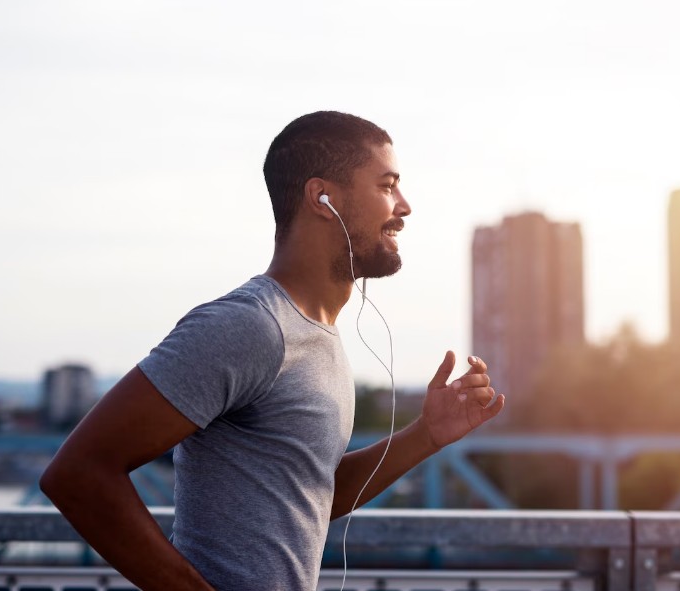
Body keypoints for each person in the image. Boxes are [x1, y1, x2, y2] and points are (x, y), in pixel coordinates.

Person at [40, 111, 506, 591]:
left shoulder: (316, 337)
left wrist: (426, 434)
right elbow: (77, 474)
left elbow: (314, 494)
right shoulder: (249, 326)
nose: (404, 206)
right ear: (322, 198)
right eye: (387, 185)